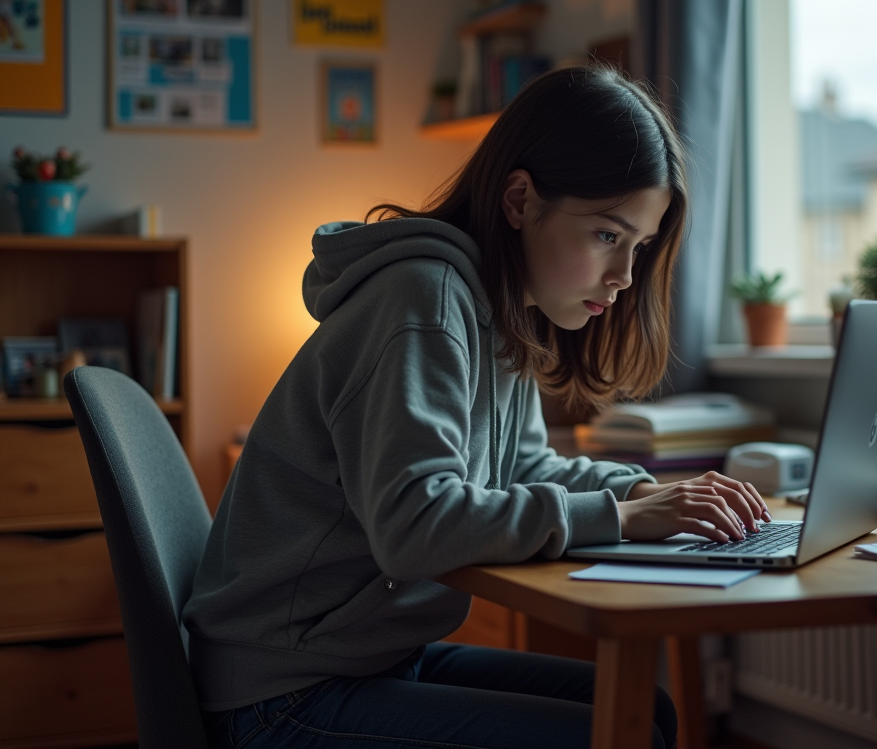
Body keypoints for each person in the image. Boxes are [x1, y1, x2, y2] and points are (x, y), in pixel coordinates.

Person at [184, 65, 771, 749]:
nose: (624, 277)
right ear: (520, 199)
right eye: (608, 236)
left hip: (361, 658)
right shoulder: (423, 300)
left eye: (638, 247)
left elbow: (523, 467)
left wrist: (651, 493)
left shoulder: (497, 308)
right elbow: (417, 525)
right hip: (279, 691)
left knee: (646, 712)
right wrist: (619, 516)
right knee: (601, 734)